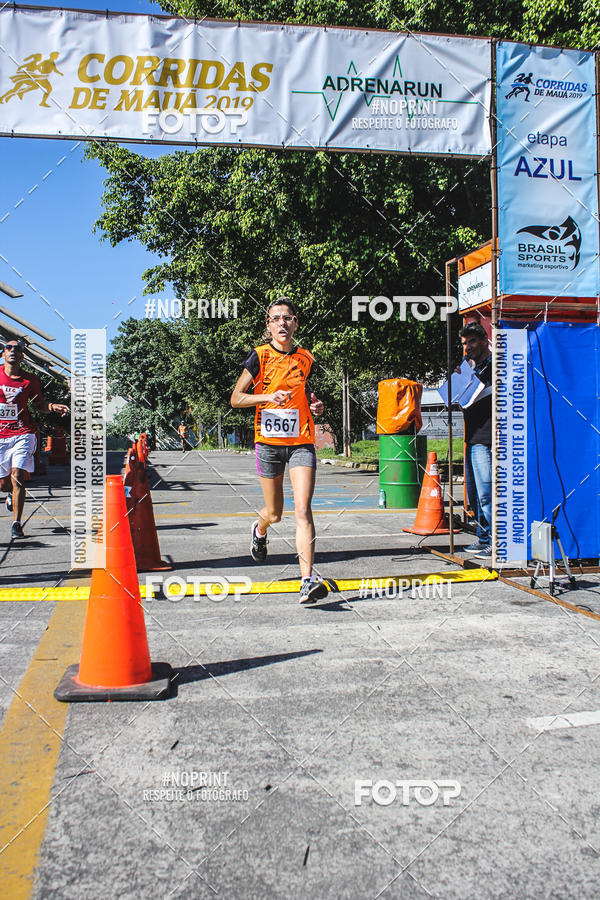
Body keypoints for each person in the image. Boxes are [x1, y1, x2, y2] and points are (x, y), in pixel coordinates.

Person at [230, 298, 327, 604]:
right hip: (269, 443)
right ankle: (259, 531)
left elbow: (306, 395)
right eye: (276, 319)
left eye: (288, 318)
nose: (282, 323)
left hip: (301, 441)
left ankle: (307, 580)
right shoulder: (258, 357)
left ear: (295, 323)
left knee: (303, 510)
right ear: (268, 325)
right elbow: (236, 398)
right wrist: (268, 397)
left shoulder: (306, 358)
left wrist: (316, 406)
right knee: (275, 513)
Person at [0, 339, 69, 538]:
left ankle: (16, 524)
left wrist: (51, 407)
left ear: (22, 356)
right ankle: (8, 496)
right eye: (8, 347)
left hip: (23, 433)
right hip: (1, 436)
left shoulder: (30, 380)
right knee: (4, 484)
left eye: (18, 349)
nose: (13, 350)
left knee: (18, 476)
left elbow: (38, 404)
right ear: (3, 353)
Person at [459, 322, 492, 559]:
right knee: (474, 493)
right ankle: (483, 537)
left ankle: (496, 541)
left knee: (486, 492)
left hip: (487, 437)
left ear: (483, 340)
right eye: (464, 343)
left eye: (471, 342)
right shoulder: (470, 368)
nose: (468, 347)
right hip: (471, 436)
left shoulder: (495, 366)